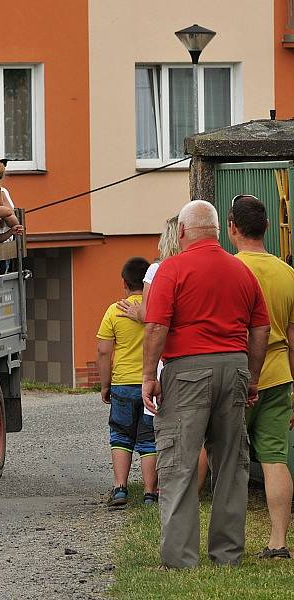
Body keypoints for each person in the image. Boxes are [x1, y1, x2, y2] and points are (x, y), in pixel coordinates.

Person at [142, 200, 270, 569]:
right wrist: (252, 376)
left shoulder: (172, 269)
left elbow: (155, 325)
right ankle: (227, 555)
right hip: (234, 366)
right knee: (231, 462)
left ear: (181, 232)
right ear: (217, 230)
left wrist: (150, 375)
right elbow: (260, 327)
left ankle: (181, 558)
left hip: (186, 371)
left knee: (179, 462)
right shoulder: (242, 271)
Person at [118, 215, 208, 494]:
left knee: (166, 427)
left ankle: (163, 488)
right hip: (201, 353)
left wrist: (137, 313)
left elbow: (152, 315)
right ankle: (197, 489)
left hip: (168, 358)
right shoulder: (198, 266)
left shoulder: (157, 270)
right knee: (200, 433)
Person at [229, 194, 294, 559]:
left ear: (232, 227)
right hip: (280, 374)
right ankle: (278, 541)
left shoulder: (231, 270)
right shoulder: (288, 273)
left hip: (239, 373)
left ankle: (229, 540)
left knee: (232, 460)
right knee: (274, 458)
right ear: (268, 226)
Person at [97, 257, 157, 509]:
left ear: (124, 282)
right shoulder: (154, 309)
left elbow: (103, 351)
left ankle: (120, 488)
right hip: (150, 384)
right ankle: (149, 493)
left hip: (122, 384)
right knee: (148, 439)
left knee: (120, 435)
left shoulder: (115, 311)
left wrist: (105, 385)